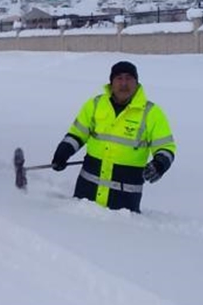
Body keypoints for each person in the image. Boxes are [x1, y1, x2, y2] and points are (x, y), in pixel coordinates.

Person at [51, 61, 176, 213]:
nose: (124, 83)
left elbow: (166, 147)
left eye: (129, 78)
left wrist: (160, 164)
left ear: (137, 82)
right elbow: (77, 134)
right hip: (85, 197)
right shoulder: (95, 105)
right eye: (119, 78)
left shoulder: (151, 113)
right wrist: (63, 153)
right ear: (111, 83)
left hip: (124, 203)